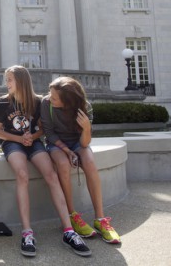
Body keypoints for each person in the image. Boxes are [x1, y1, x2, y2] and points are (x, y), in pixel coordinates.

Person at [0, 66, 91, 258]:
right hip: (12, 144)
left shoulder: (38, 102)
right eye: (7, 80)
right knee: (22, 175)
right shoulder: (3, 102)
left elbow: (43, 129)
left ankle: (69, 231)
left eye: (10, 79)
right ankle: (27, 233)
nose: (7, 83)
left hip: (34, 143)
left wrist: (33, 136)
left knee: (51, 175)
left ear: (21, 81)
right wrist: (20, 139)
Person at [41, 76, 121, 244]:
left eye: (55, 97)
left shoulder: (85, 107)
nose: (50, 98)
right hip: (57, 144)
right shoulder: (46, 103)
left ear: (67, 101)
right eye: (50, 94)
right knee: (62, 164)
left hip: (78, 142)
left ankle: (100, 219)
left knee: (90, 163)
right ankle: (72, 216)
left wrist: (86, 128)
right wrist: (67, 151)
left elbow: (85, 142)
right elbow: (49, 134)